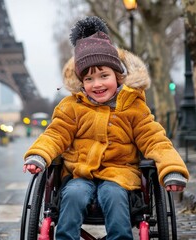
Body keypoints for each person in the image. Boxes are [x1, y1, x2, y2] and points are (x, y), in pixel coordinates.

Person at [23, 16, 189, 240]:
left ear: (118, 77)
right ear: (81, 83)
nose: (97, 84)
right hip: (79, 175)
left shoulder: (133, 107)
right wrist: (38, 156)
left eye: (104, 76)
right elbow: (55, 134)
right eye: (89, 79)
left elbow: (155, 140)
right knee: (72, 195)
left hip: (119, 175)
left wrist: (172, 169)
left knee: (114, 196)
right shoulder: (71, 107)